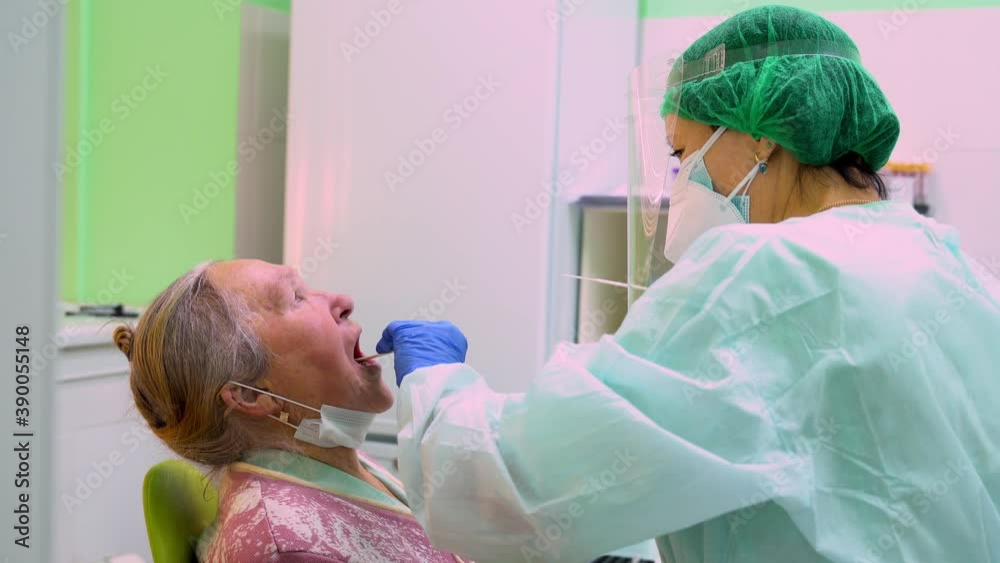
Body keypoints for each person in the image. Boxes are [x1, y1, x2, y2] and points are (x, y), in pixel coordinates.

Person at [375, 5, 1000, 563]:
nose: (680, 184)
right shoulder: (951, 266)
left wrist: (436, 389)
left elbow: (509, 489)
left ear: (762, 136)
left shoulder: (767, 275)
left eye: (683, 156)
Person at [114, 260, 466, 562]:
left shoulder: (333, 462)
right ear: (249, 396)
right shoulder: (291, 547)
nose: (343, 301)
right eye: (295, 297)